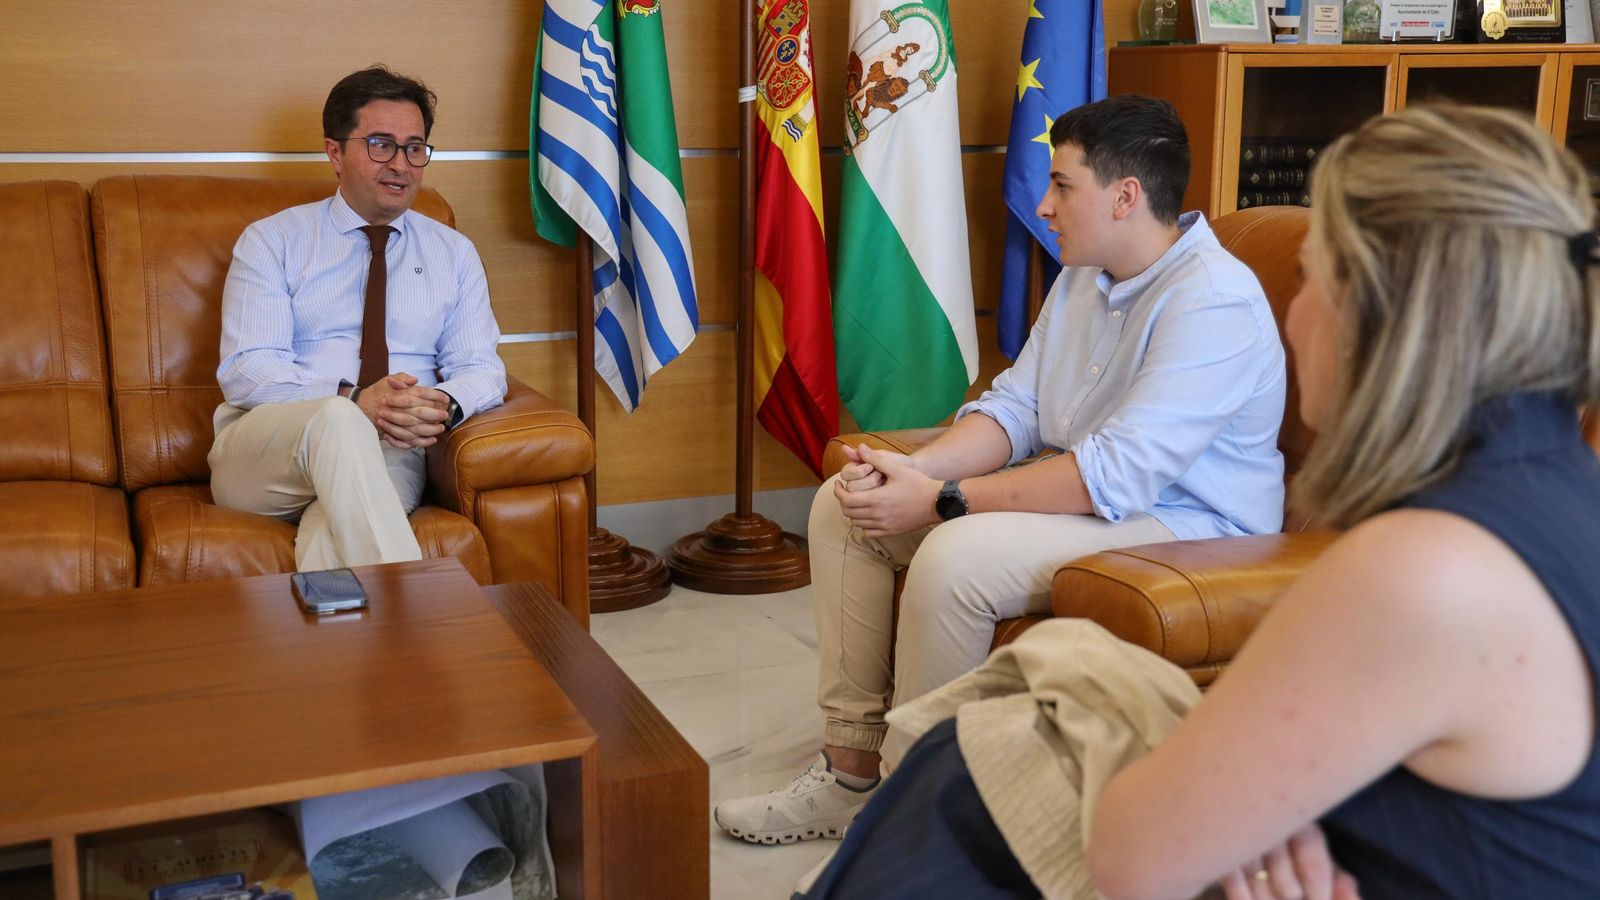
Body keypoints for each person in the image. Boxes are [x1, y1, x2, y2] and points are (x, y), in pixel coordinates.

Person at [807, 103, 1600, 899]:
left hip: (1181, 527)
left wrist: (944, 498)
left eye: (1316, 278)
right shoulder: (1559, 496)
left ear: (1385, 314)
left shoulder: (1424, 571)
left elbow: (1135, 855)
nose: (1292, 317)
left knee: (971, 779)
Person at [715, 94, 1287, 845]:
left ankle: (913, 826)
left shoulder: (1212, 300)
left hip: (1191, 527)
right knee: (841, 505)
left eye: (1061, 186)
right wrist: (911, 474)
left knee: (955, 556)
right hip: (1102, 500)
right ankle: (851, 774)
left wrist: (945, 500)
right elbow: (1015, 409)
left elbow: (1111, 474)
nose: (1042, 205)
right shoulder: (1086, 272)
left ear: (1125, 196)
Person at [209, 65, 506, 571]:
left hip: (391, 446)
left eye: (415, 148)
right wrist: (352, 400)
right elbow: (247, 369)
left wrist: (439, 405)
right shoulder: (273, 241)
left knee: (336, 531)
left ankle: (340, 646)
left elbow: (483, 368)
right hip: (268, 450)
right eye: (381, 144)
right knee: (339, 420)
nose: (401, 164)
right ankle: (431, 632)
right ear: (334, 152)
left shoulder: (453, 253)